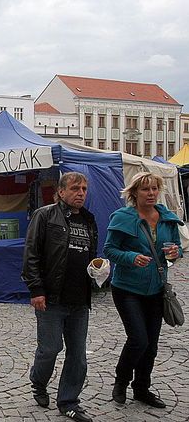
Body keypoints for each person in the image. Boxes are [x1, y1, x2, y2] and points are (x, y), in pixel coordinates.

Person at [21, 172, 98, 422]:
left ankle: (68, 401)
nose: (81, 193)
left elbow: (88, 256)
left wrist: (98, 272)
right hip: (52, 298)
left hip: (79, 298)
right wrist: (36, 290)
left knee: (78, 355)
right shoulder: (45, 215)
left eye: (84, 189)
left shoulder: (89, 219)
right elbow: (31, 254)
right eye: (76, 188)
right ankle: (38, 381)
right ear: (61, 191)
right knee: (50, 348)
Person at [104, 172, 182, 409]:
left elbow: (176, 249)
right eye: (145, 189)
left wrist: (175, 253)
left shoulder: (167, 219)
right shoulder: (122, 218)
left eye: (154, 189)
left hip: (156, 288)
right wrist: (130, 257)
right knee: (138, 339)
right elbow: (109, 249)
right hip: (127, 288)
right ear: (134, 193)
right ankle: (121, 382)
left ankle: (142, 389)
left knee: (152, 343)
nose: (150, 194)